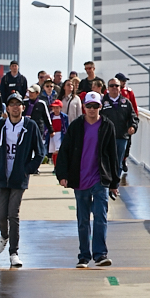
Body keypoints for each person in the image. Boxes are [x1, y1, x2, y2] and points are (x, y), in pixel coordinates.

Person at [56, 91, 119, 268]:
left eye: (96, 106)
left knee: (101, 216)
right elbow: (65, 151)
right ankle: (84, 256)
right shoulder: (76, 126)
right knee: (83, 220)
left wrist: (114, 182)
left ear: (100, 107)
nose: (92, 110)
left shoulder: (107, 126)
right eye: (89, 106)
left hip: (100, 179)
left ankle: (100, 254)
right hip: (80, 179)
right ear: (84, 107)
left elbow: (113, 155)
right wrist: (62, 175)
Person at [0, 93, 45, 267]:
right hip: (3, 177)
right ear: (7, 108)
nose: (15, 107)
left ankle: (14, 252)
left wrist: (27, 170)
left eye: (18, 104)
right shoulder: (0, 126)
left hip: (19, 179)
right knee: (1, 214)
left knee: (13, 214)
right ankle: (4, 235)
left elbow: (39, 152)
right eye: (11, 104)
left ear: (22, 107)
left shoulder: (30, 126)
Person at [101, 79, 137, 178]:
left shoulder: (126, 102)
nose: (114, 88)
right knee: (107, 162)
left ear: (120, 88)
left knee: (118, 162)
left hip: (121, 137)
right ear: (108, 88)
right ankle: (107, 184)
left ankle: (115, 185)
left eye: (116, 86)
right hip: (106, 138)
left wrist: (133, 126)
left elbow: (133, 116)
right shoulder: (102, 103)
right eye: (111, 86)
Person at [24, 85, 52, 161]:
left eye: (32, 92)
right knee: (27, 148)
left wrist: (51, 130)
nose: (30, 94)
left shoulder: (41, 103)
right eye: (29, 92)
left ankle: (36, 166)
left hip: (38, 129)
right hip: (26, 129)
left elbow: (47, 118)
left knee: (37, 148)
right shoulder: (24, 103)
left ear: (37, 93)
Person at [47, 99, 68, 165]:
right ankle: (55, 165)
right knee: (53, 151)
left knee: (58, 151)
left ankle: (59, 165)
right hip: (52, 135)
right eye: (54, 108)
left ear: (60, 108)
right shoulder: (50, 116)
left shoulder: (64, 117)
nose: (55, 110)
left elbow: (66, 126)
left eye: (57, 108)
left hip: (60, 135)